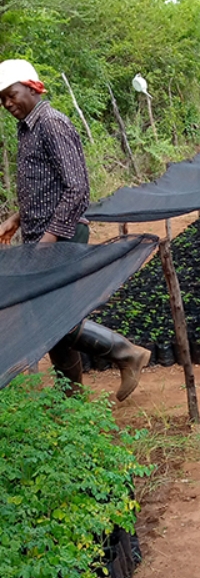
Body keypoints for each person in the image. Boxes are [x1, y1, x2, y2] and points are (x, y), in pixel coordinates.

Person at [0, 59, 152, 400]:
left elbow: (77, 188)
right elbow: (42, 186)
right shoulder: (26, 128)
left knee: (55, 315)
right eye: (2, 100)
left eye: (11, 95)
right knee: (46, 318)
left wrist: (50, 239)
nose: (8, 104)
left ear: (32, 87)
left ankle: (127, 353)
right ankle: (71, 398)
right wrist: (17, 219)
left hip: (62, 235)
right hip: (42, 234)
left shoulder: (52, 123)